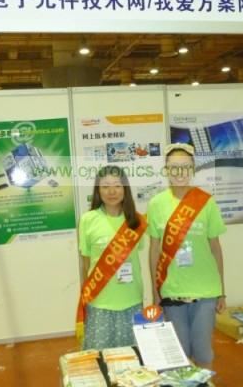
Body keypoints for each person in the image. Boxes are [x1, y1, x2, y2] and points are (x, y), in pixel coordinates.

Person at [147, 143, 227, 369]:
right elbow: (154, 250)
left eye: (185, 166)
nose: (179, 172)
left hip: (205, 290)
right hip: (172, 289)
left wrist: (221, 291)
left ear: (193, 169)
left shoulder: (206, 201)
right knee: (179, 353)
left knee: (203, 352)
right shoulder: (156, 204)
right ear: (166, 170)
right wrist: (155, 292)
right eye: (174, 167)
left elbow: (216, 248)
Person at [76, 165, 148, 350]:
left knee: (132, 358)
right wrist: (86, 296)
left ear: (125, 188)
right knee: (99, 357)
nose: (112, 191)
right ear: (98, 190)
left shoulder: (137, 221)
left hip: (131, 300)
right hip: (99, 301)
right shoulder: (88, 220)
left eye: (117, 185)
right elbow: (86, 264)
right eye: (105, 186)